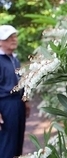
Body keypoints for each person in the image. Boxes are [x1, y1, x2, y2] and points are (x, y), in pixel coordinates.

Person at [0, 25, 30, 158]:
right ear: (0, 41)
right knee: (7, 143)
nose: (13, 39)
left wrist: (26, 100)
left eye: (14, 36)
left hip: (18, 103)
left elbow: (21, 82)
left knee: (18, 140)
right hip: (5, 105)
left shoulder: (15, 59)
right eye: (8, 38)